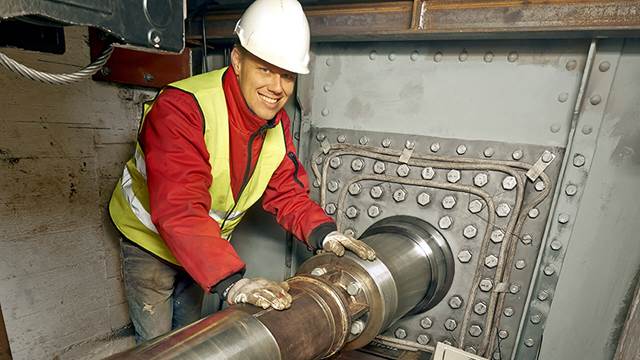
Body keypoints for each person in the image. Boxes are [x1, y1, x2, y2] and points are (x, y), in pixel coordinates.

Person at [108, 0, 376, 343]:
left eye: (288, 75)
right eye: (265, 69)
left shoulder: (274, 125)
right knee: (158, 346)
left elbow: (287, 193)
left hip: (204, 248)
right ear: (237, 61)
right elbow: (180, 207)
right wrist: (232, 281)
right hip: (150, 242)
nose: (277, 87)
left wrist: (326, 234)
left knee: (189, 335)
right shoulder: (184, 108)